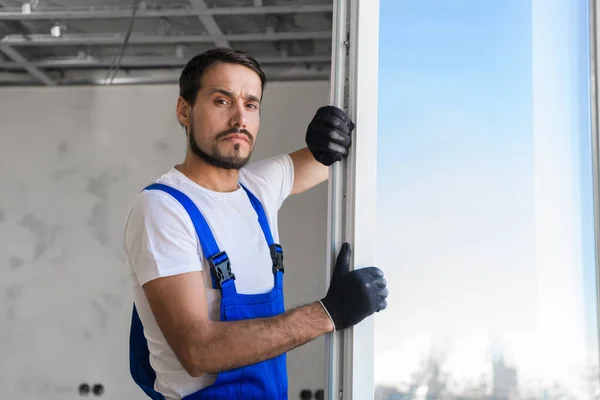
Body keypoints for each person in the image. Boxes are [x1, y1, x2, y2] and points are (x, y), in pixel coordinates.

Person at [122, 48, 389, 400]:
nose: (239, 119)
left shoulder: (255, 190)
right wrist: (328, 314)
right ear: (184, 110)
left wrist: (334, 134)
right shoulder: (162, 208)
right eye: (222, 101)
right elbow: (197, 351)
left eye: (251, 104)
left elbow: (331, 159)